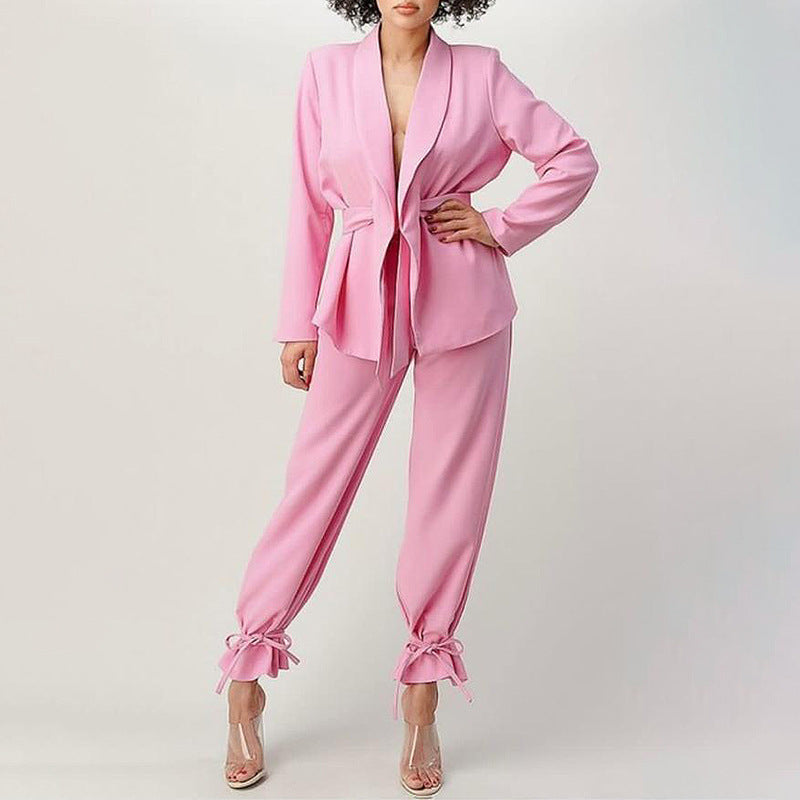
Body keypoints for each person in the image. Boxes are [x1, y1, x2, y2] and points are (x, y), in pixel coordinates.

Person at [217, 0, 599, 793]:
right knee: (314, 486)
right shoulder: (325, 73)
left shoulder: (482, 73)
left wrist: (500, 223)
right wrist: (297, 324)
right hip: (356, 302)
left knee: (448, 495)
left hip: (464, 301)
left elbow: (572, 159)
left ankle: (423, 692)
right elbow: (309, 203)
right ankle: (247, 675)